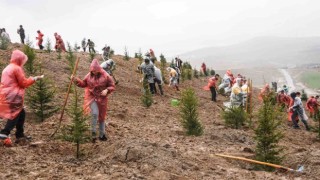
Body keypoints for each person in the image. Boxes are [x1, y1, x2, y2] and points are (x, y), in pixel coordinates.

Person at [0, 50, 44, 142]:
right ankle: (5, 132)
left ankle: (20, 135)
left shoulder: (8, 67)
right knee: (15, 114)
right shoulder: (17, 68)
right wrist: (34, 78)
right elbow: (23, 83)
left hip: (6, 94)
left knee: (21, 112)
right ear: (19, 59)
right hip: (14, 95)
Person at [71, 59, 115, 142]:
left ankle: (102, 135)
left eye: (95, 71)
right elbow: (83, 84)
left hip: (102, 98)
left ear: (98, 69)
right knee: (94, 114)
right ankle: (93, 134)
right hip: (91, 97)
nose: (94, 72)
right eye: (92, 71)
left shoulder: (105, 75)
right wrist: (75, 80)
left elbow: (112, 86)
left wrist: (107, 90)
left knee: (102, 117)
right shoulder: (89, 75)